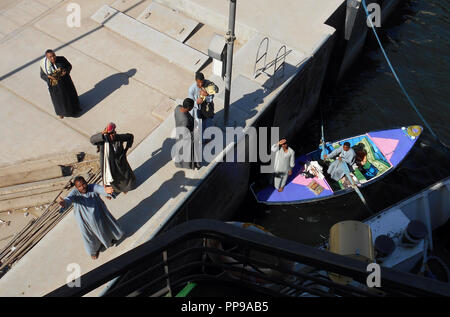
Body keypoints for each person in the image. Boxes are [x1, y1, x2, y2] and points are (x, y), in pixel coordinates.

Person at [58, 176, 124, 259]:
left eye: (84, 184)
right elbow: (68, 199)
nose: (82, 187)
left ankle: (111, 238)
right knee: (89, 236)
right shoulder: (74, 193)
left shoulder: (92, 187)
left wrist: (106, 191)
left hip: (98, 213)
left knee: (105, 226)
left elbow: (100, 189)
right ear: (76, 187)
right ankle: (93, 251)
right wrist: (64, 203)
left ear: (86, 182)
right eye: (79, 186)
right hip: (84, 218)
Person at [90, 123, 136, 195]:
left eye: (113, 133)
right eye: (109, 134)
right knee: (113, 179)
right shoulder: (103, 142)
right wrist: (103, 133)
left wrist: (126, 149)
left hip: (120, 163)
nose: (111, 135)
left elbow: (130, 137)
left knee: (125, 177)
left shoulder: (118, 138)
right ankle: (117, 190)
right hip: (109, 164)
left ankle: (126, 188)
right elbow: (92, 140)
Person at [39, 49, 81, 119]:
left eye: (53, 56)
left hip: (66, 83)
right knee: (59, 101)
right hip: (55, 87)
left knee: (70, 96)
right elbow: (42, 75)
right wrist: (49, 77)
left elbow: (69, 66)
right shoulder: (44, 66)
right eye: (50, 57)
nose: (53, 58)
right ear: (47, 57)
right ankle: (60, 113)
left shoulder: (61, 59)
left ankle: (75, 110)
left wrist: (66, 71)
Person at [188, 72, 218, 143]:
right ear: (195, 80)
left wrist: (207, 94)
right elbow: (190, 103)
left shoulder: (208, 84)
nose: (200, 84)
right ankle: (202, 140)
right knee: (201, 127)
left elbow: (215, 91)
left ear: (204, 80)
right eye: (198, 83)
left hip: (208, 109)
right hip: (198, 111)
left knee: (208, 124)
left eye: (202, 82)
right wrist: (196, 103)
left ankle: (208, 137)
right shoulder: (191, 90)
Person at [173, 98, 201, 169]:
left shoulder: (178, 107)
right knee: (189, 152)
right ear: (188, 108)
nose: (192, 108)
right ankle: (193, 164)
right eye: (192, 107)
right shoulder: (185, 120)